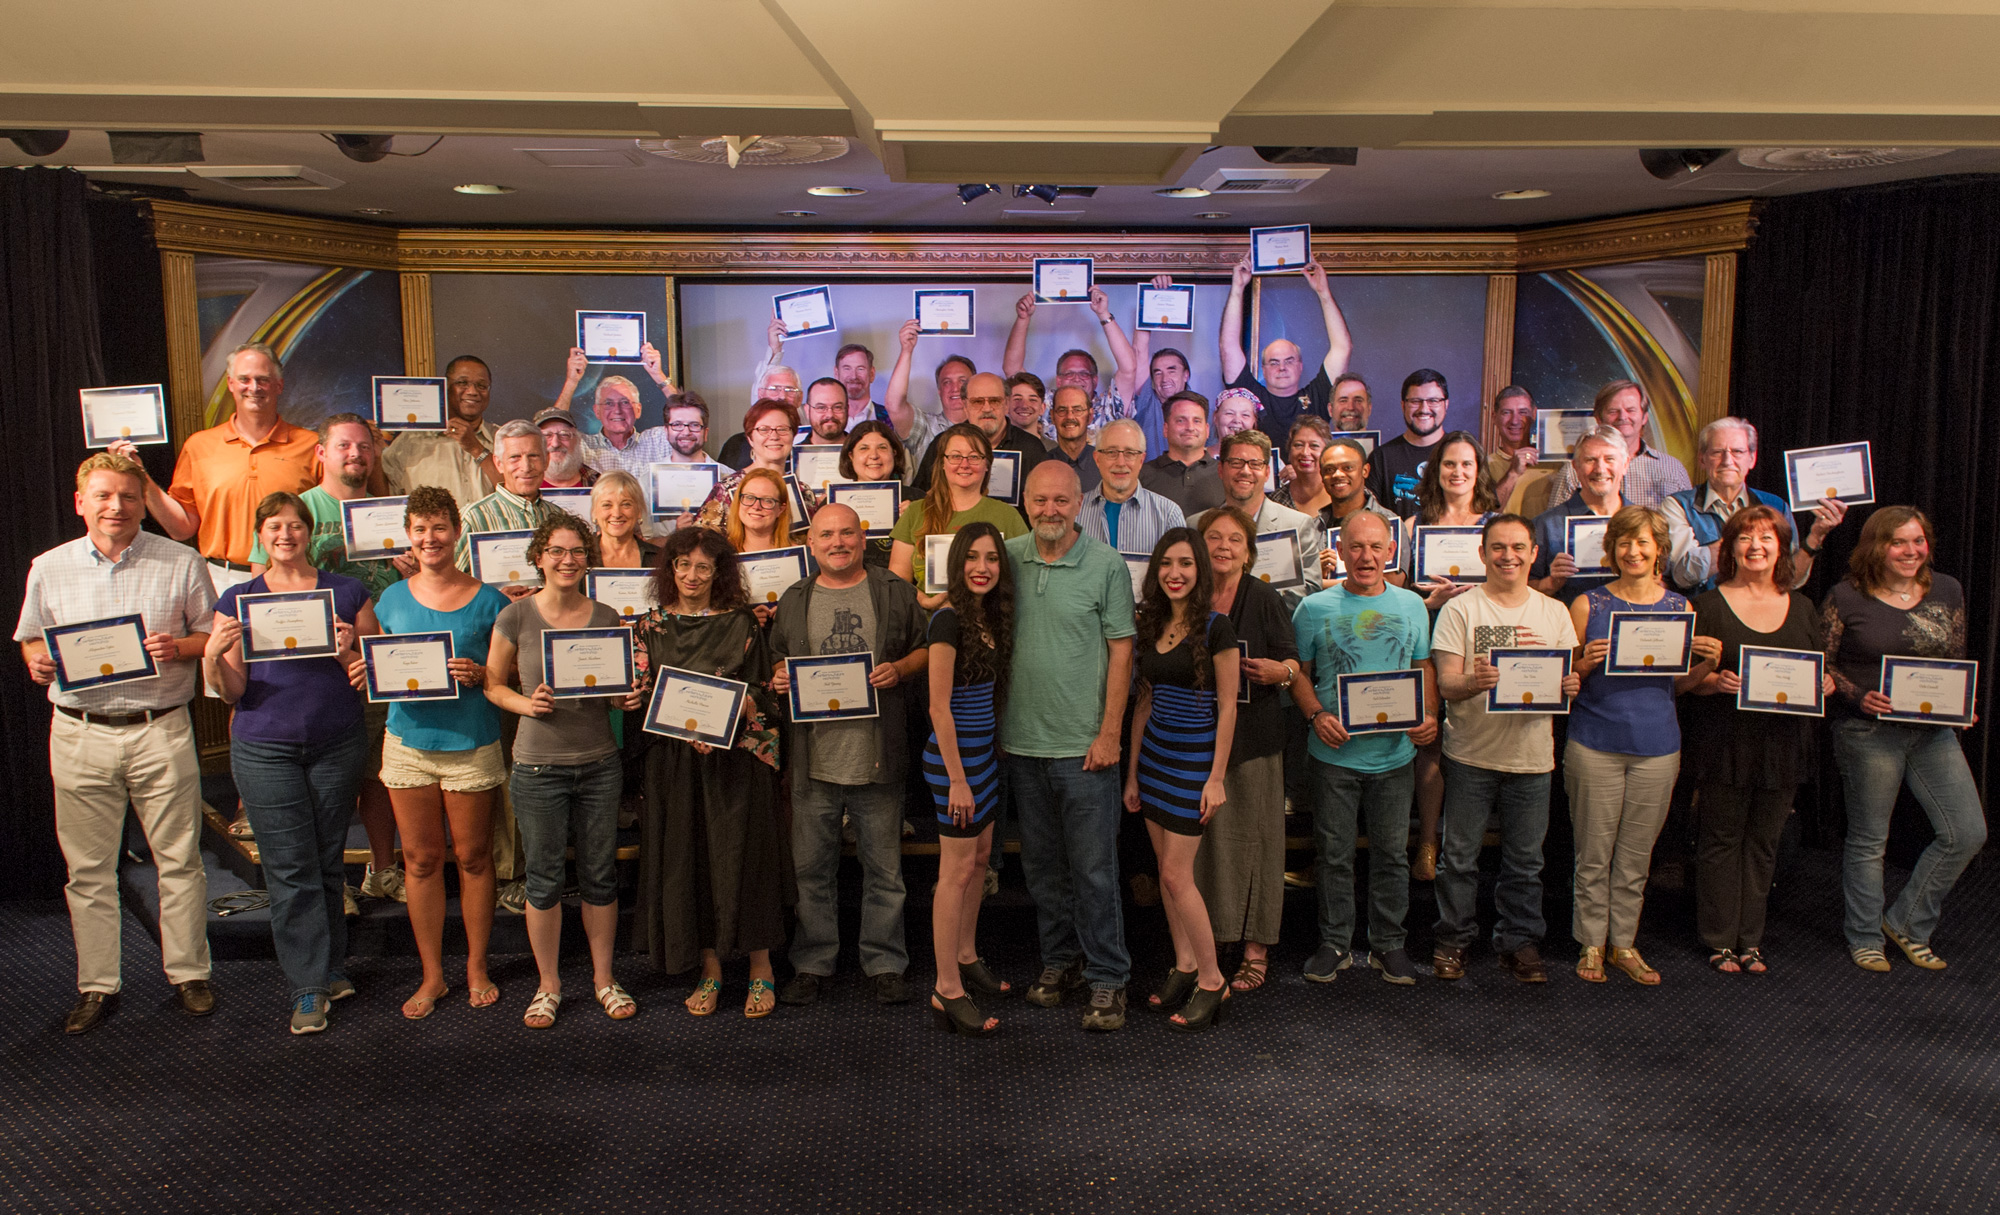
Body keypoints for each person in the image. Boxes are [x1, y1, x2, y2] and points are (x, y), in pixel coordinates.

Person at [17, 452, 217, 1035]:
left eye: (128, 496)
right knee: (88, 871)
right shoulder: (48, 567)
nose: (117, 507)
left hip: (161, 728)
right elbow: (30, 640)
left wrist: (177, 648)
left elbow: (209, 636)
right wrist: (38, 664)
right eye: (103, 496)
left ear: (141, 502)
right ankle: (98, 985)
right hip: (80, 733)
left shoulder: (180, 560)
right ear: (81, 503)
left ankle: (189, 974)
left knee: (179, 860)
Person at [206, 492, 376, 1033]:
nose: (285, 534)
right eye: (274, 526)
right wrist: (212, 656)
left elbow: (375, 676)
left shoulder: (347, 592)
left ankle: (329, 967)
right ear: (261, 535)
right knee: (289, 866)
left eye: (295, 525)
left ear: (310, 532)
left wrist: (350, 649)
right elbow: (231, 690)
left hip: (337, 742)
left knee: (327, 859)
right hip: (264, 747)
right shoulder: (237, 599)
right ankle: (307, 988)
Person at [484, 513, 645, 1028]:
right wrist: (526, 705)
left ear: (587, 558)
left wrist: (627, 697)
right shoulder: (516, 616)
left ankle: (603, 979)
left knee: (600, 874)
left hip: (599, 763)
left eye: (577, 551)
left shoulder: (605, 616)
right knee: (545, 878)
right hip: (537, 768)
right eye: (556, 551)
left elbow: (615, 692)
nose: (567, 560)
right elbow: (492, 684)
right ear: (539, 557)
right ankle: (548, 984)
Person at [769, 505, 928, 1006]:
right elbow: (777, 657)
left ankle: (884, 963)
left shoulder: (893, 591)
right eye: (826, 535)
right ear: (810, 543)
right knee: (811, 871)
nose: (838, 542)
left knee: (885, 872)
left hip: (877, 755)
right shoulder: (795, 598)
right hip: (813, 760)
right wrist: (778, 676)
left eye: (847, 533)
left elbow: (926, 649)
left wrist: (899, 669)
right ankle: (813, 962)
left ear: (864, 539)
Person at [363, 487, 513, 1018]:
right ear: (408, 534)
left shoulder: (492, 600)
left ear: (457, 532)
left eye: (440, 528)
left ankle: (475, 966)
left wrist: (480, 674)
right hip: (407, 743)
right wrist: (362, 669)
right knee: (421, 861)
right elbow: (380, 670)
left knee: (473, 858)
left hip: (471, 741)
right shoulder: (390, 601)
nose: (430, 539)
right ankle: (432, 975)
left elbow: (506, 675)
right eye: (420, 529)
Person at [244, 413, 407, 892]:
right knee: (330, 787)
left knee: (379, 773)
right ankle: (330, 885)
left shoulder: (392, 511)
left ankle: (382, 871)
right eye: (343, 446)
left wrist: (413, 563)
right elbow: (260, 584)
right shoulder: (299, 510)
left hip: (379, 658)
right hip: (316, 668)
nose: (355, 455)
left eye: (363, 447)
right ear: (321, 452)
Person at [631, 527, 786, 1019]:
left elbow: (766, 692)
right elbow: (640, 696)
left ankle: (761, 971)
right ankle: (711, 970)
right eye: (683, 565)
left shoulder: (742, 623)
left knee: (746, 861)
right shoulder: (650, 626)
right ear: (669, 569)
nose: (692, 575)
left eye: (704, 567)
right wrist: (633, 700)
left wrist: (740, 708)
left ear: (719, 573)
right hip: (674, 765)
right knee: (691, 863)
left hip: (736, 764)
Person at [1823, 506, 1985, 974]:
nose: (1911, 551)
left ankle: (1908, 923)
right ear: (1877, 546)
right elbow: (1821, 664)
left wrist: (1959, 702)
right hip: (1868, 733)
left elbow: (1954, 658)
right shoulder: (1846, 596)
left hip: (1932, 732)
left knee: (1966, 832)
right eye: (1898, 542)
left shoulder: (1947, 589)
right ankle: (1865, 936)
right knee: (1870, 840)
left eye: (1918, 541)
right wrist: (1858, 697)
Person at [1007, 461, 1138, 1030]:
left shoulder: (1107, 565)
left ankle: (1109, 977)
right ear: (1027, 502)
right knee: (1042, 870)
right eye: (1040, 501)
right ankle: (1059, 963)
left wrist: (1110, 733)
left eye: (1062, 500)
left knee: (1095, 870)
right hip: (1021, 743)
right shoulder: (1007, 558)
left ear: (1078, 504)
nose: (1051, 511)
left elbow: (1122, 654)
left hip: (1086, 748)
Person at [1565, 505, 1721, 985]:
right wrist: (1585, 664)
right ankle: (1591, 943)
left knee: (1636, 855)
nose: (1633, 551)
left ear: (1659, 550)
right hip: (1594, 741)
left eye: (1643, 542)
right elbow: (1563, 682)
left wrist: (1704, 666)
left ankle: (1625, 944)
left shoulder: (1680, 608)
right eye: (1624, 542)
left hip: (1658, 744)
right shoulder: (1587, 605)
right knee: (1593, 851)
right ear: (1611, 549)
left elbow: (1677, 687)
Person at [1428, 514, 1581, 984]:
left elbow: (1564, 681)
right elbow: (1447, 685)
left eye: (1518, 547)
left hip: (1533, 758)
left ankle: (1519, 942)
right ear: (1482, 553)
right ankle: (1453, 939)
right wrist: (1474, 681)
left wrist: (1570, 685)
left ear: (1534, 552)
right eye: (1498, 547)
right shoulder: (1461, 610)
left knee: (1526, 862)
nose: (1508, 556)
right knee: (1459, 857)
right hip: (1471, 753)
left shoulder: (1554, 612)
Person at [1289, 512, 1438, 986]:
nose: (1366, 557)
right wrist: (1316, 714)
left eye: (1376, 547)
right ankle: (1334, 943)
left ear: (1390, 551)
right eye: (1356, 547)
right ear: (1342, 550)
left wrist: (1430, 714)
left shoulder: (1414, 605)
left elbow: (1424, 666)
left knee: (1393, 854)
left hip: (1394, 755)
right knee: (1333, 854)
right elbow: (1299, 676)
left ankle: (1388, 945)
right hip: (1333, 754)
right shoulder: (1313, 608)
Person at [1682, 507, 1828, 975]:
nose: (1756, 546)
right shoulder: (1706, 605)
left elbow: (1818, 671)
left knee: (1765, 843)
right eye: (1745, 538)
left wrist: (1823, 685)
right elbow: (1685, 680)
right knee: (1720, 840)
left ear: (1781, 547)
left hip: (1783, 745)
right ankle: (1720, 939)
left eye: (1767, 537)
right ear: (1729, 548)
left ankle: (1752, 940)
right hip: (1724, 742)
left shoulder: (1803, 607)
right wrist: (1712, 682)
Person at [1126, 527, 1241, 1031]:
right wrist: (1131, 773)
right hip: (1153, 760)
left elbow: (1229, 706)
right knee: (1167, 874)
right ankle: (1185, 964)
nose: (1176, 573)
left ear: (1200, 570)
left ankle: (1214, 981)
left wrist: (1216, 778)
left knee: (1176, 876)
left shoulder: (1217, 627)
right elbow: (1144, 701)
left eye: (1186, 564)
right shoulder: (1149, 623)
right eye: (1167, 564)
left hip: (1194, 763)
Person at [1189, 507, 1299, 994]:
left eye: (1235, 539)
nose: (1224, 547)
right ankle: (1207, 944)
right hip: (1194, 740)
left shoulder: (1264, 597)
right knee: (1205, 848)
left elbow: (1292, 658)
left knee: (1258, 844)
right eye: (1214, 537)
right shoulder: (1187, 597)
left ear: (1249, 552)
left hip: (1254, 740)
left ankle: (1255, 950)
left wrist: (1283, 673)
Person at [924, 522, 1015, 1037]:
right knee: (955, 872)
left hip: (984, 757)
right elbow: (939, 708)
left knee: (980, 860)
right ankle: (945, 987)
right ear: (957, 562)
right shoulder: (947, 620)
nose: (982, 567)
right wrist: (958, 780)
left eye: (992, 558)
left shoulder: (989, 617)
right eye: (973, 557)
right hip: (952, 763)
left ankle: (966, 953)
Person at [126, 342, 319, 582]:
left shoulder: (312, 446)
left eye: (263, 379)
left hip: (295, 575)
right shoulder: (199, 446)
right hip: (222, 579)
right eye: (244, 379)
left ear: (279, 385)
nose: (254, 387)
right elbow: (182, 528)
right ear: (230, 383)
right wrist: (141, 476)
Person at [1402, 430, 1500, 880]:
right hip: (1428, 638)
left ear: (1478, 471)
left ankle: (1463, 842)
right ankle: (1427, 840)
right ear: (1434, 472)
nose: (1457, 472)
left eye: (1466, 464)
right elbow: (1398, 599)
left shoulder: (1496, 525)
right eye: (1448, 464)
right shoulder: (1412, 527)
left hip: (1480, 641)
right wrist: (1431, 604)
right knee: (1430, 743)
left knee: (1475, 744)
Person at [1663, 416, 1846, 596]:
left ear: (1752, 459)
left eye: (1737, 452)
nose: (1727, 461)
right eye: (1717, 452)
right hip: (1704, 615)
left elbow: (1789, 579)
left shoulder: (1775, 506)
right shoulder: (1677, 505)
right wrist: (1746, 540)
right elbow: (1683, 575)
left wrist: (1815, 536)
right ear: (1702, 459)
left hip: (1762, 615)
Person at [1218, 253, 1353, 448]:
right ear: (1263, 369)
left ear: (1300, 366)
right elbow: (1228, 346)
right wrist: (1237, 289)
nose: (1282, 367)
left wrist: (1323, 292)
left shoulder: (1317, 396)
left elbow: (1343, 347)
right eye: (1274, 362)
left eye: (1289, 361)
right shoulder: (1251, 395)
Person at [888, 422, 1029, 607]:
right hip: (929, 625)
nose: (964, 464)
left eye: (974, 457)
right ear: (942, 463)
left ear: (987, 464)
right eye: (955, 456)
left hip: (992, 625)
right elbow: (897, 580)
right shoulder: (915, 512)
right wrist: (925, 601)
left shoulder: (1007, 516)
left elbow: (1025, 579)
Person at [1003, 285, 1138, 435]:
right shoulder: (1045, 405)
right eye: (1069, 374)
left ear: (1095, 380)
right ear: (1058, 380)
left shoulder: (1108, 407)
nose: (1076, 378)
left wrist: (1103, 314)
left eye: (1084, 374)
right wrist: (1023, 319)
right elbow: (1012, 370)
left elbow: (1128, 368)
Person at [1214, 428, 1324, 611]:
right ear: (1220, 469)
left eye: (1255, 464)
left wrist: (1248, 606)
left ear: (1267, 472)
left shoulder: (1297, 524)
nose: (1245, 471)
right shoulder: (1198, 525)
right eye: (1236, 463)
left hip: (1273, 634)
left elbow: (1309, 591)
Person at [1543, 379, 1694, 509]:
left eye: (1631, 410)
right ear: (1599, 418)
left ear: (1644, 417)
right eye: (1613, 411)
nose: (1622, 417)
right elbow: (1556, 525)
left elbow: (1687, 524)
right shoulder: (1574, 471)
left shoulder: (1672, 469)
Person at [455, 419, 559, 598]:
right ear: (498, 463)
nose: (526, 467)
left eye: (533, 456)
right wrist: (495, 600)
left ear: (546, 461)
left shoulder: (558, 517)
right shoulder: (475, 517)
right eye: (515, 457)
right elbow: (451, 582)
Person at [382, 354, 500, 509]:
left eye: (482, 386)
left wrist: (475, 448)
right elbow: (386, 497)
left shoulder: (503, 438)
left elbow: (517, 493)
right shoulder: (411, 441)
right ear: (445, 388)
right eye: (462, 383)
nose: (472, 391)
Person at [1530, 426, 1630, 605]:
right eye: (1590, 460)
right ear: (1575, 466)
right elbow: (1521, 590)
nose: (1600, 469)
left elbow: (1664, 582)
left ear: (1625, 465)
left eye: (1609, 459)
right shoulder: (1545, 525)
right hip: (1566, 627)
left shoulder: (1645, 524)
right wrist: (1551, 583)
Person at [911, 372, 1047, 495]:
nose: (987, 408)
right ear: (965, 406)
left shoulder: (1031, 448)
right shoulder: (943, 444)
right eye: (978, 402)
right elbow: (920, 496)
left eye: (994, 401)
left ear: (1006, 404)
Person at [560, 341, 679, 479]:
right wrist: (572, 381)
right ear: (597, 411)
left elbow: (688, 419)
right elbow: (552, 429)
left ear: (638, 410)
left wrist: (658, 375)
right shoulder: (582, 446)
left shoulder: (656, 442)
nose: (617, 410)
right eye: (608, 403)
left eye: (625, 402)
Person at [1079, 419, 1185, 556]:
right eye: (1111, 452)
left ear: (1141, 460)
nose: (1121, 463)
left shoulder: (1169, 515)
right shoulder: (1075, 513)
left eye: (1130, 453)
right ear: (1097, 459)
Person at [691, 399, 797, 532]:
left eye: (782, 429)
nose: (774, 436)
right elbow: (699, 540)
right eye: (764, 429)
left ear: (793, 436)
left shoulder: (802, 492)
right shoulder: (726, 490)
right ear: (750, 438)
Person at [884, 324, 974, 478]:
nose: (955, 388)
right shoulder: (925, 427)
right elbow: (894, 405)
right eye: (947, 382)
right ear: (939, 390)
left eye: (963, 381)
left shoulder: (987, 427)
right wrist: (907, 351)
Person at [1372, 369, 1451, 517]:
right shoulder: (1381, 458)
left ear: (1446, 404)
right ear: (1403, 405)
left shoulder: (1462, 454)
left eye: (1433, 401)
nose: (1424, 409)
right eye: (1415, 401)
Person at [838, 420, 911, 570]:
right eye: (864, 448)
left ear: (894, 453)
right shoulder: (833, 503)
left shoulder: (918, 500)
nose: (874, 456)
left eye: (882, 448)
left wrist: (917, 520)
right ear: (851, 456)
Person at [1140, 392, 1225, 515]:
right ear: (1166, 429)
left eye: (1196, 421)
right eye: (1180, 421)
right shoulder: (1142, 476)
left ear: (1207, 430)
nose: (1190, 427)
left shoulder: (1225, 474)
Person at [1037, 381, 1101, 494]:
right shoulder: (1039, 465)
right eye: (1062, 410)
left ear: (1090, 416)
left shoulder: (1104, 465)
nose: (1070, 416)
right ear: (1052, 416)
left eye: (1077, 410)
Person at [590, 470, 659, 571]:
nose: (617, 514)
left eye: (626, 504)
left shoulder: (659, 558)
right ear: (594, 512)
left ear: (639, 510)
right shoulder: (581, 556)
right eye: (607, 505)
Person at [1488, 385, 1539, 508]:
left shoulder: (1554, 463)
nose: (1515, 421)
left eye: (1523, 412)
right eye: (1506, 412)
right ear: (1494, 417)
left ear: (1534, 414)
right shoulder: (1481, 467)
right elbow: (1482, 516)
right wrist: (1513, 473)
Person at [1271, 417, 1333, 515]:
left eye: (1314, 446)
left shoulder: (1341, 491)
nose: (1305, 452)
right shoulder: (1276, 501)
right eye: (1298, 445)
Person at [535, 407, 598, 488]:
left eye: (564, 434)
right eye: (546, 435)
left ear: (578, 440)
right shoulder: (521, 485)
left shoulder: (598, 482)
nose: (555, 444)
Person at [834, 342, 890, 430]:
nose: (854, 376)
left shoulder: (890, 418)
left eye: (860, 369)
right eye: (847, 368)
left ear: (871, 374)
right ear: (836, 373)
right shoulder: (825, 419)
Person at [660, 391, 714, 464]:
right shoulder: (649, 475)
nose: (686, 432)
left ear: (705, 433)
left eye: (694, 425)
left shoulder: (728, 475)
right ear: (666, 431)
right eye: (677, 424)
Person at [1208, 389, 1260, 462]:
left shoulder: (1268, 459)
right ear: (1215, 418)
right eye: (1229, 413)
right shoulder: (1198, 457)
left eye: (1245, 415)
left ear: (1254, 421)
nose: (1237, 420)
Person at [801, 376, 851, 446]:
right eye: (821, 408)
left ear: (847, 410)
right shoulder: (793, 455)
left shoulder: (865, 453)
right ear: (807, 411)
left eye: (837, 407)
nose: (830, 415)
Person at [1005, 370, 1049, 437]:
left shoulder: (1053, 447)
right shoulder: (991, 446)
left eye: (1032, 400)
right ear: (1006, 406)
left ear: (1042, 408)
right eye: (1017, 399)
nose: (1024, 405)